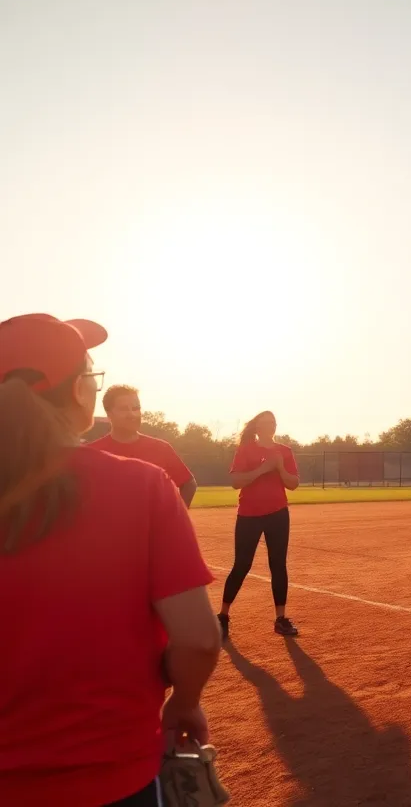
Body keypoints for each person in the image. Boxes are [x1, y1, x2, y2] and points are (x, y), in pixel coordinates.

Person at [0, 314, 219, 807]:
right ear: (81, 391)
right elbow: (200, 640)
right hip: (113, 776)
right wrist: (183, 704)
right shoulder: (141, 485)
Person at [218, 410, 301, 639]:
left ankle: (281, 619)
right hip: (249, 514)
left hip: (278, 514)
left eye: (273, 422)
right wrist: (264, 469)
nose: (271, 426)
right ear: (257, 427)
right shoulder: (246, 450)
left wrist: (280, 467)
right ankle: (223, 616)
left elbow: (293, 484)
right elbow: (236, 482)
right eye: (266, 423)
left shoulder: (285, 451)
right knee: (242, 565)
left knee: (278, 565)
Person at [91, 384, 198, 506]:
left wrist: (175, 518)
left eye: (136, 408)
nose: (132, 414)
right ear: (109, 413)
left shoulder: (161, 449)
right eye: (124, 409)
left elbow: (188, 484)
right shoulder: (92, 452)